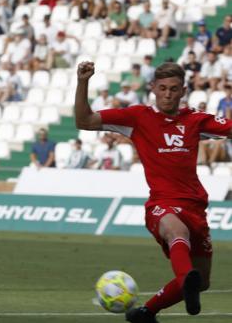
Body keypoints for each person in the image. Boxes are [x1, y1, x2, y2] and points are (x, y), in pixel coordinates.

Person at [75, 61, 232, 323]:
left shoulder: (196, 120)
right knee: (176, 232)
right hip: (162, 204)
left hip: (195, 208)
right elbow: (84, 120)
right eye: (162, 88)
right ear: (153, 89)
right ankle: (184, 280)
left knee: (202, 281)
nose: (167, 94)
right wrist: (83, 82)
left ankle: (146, 312)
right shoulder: (137, 117)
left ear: (182, 91)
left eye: (173, 89)